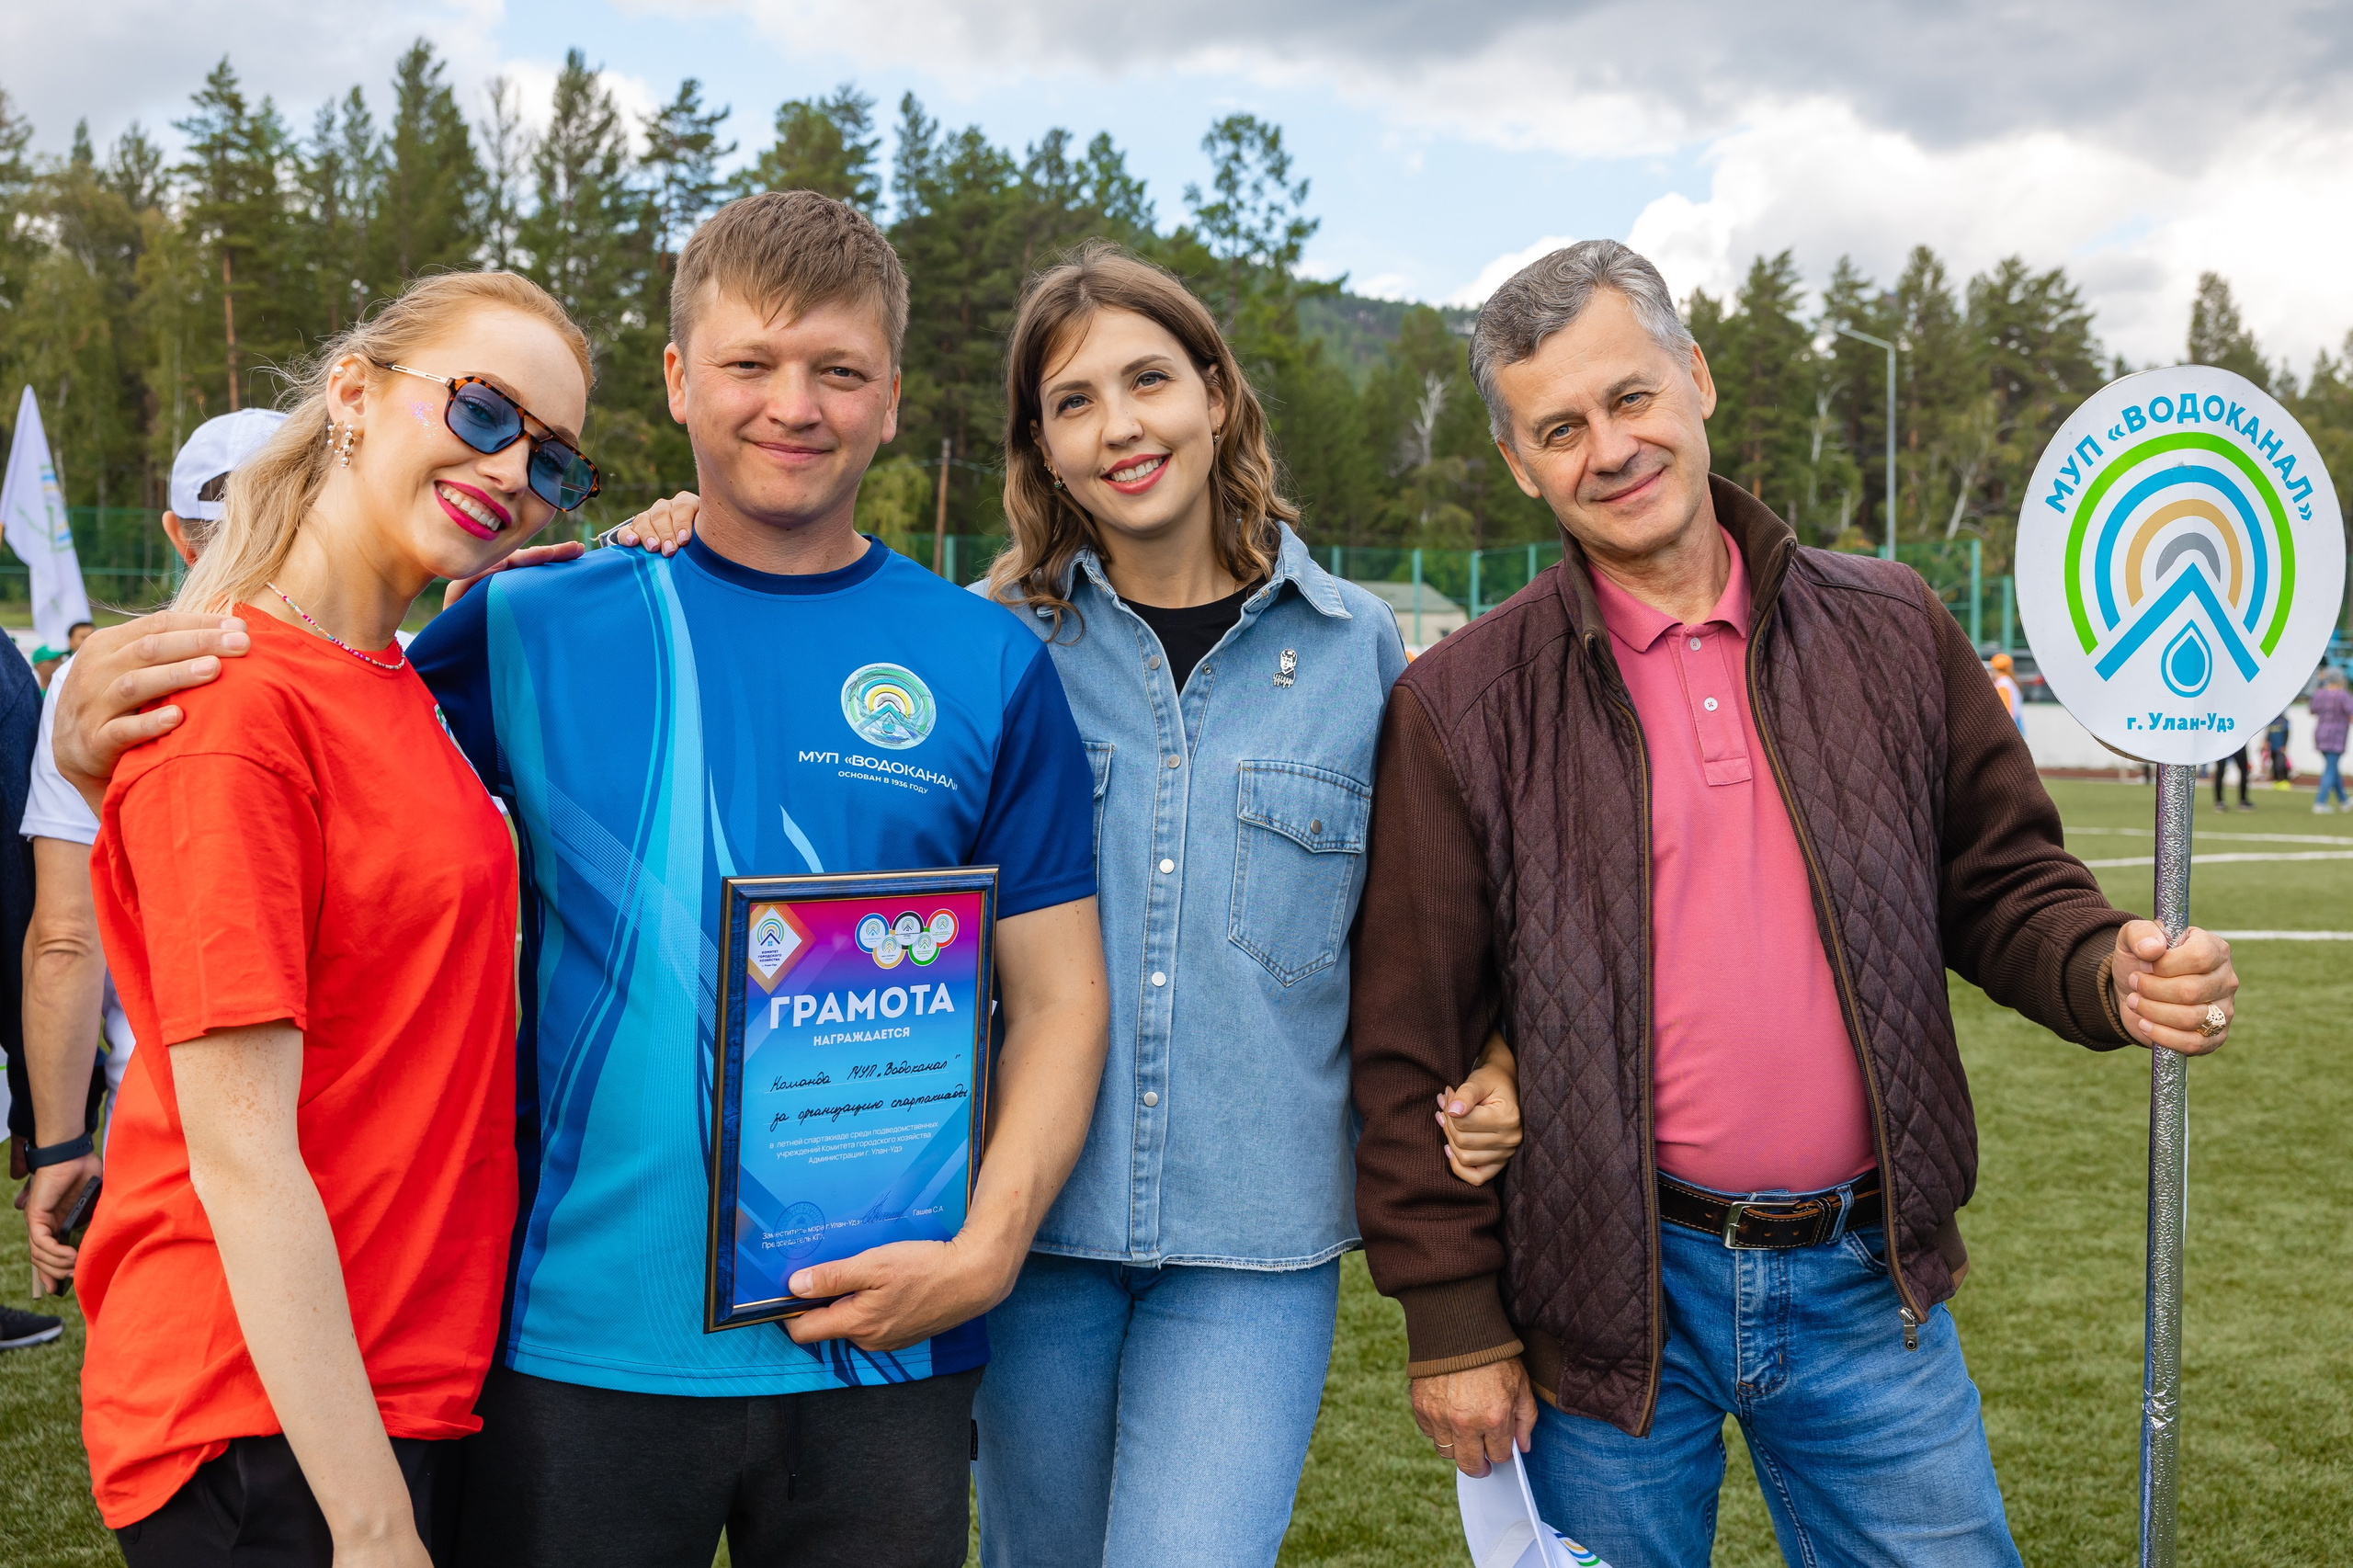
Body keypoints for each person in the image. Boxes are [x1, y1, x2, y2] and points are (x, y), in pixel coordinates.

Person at [57, 189, 1112, 1568]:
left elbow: (1060, 998)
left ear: (895, 396)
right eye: (749, 363)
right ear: (678, 379)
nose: (792, 406)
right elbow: (295, 728)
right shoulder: (528, 619)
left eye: (840, 370)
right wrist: (91, 722)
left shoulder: (985, 659)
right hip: (571, 1345)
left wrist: (987, 1249)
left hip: (885, 1342)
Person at [619, 242, 1529, 1566]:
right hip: (1027, 1234)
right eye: (1073, 402)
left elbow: (1428, 927)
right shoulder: (980, 643)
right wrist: (676, 524)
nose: (1120, 428)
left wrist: (1497, 1052)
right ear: (1040, 447)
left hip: (1253, 1244)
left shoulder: (1358, 649)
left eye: (1148, 380)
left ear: (1215, 393)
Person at [1347, 240, 2242, 1568]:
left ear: (1697, 378)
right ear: (1519, 463)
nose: (1610, 449)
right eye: (1561, 428)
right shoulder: (1463, 702)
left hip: (1865, 1283)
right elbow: (1410, 1037)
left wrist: (2107, 965)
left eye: (1631, 396)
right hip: (1599, 1299)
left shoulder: (1893, 625)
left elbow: (2000, 879)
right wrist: (1453, 1322)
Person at [68, 269, 594, 1564]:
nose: (512, 470)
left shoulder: (389, 678)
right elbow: (241, 1154)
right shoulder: (233, 707)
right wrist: (370, 1523)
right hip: (264, 1418)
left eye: (553, 460)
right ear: (352, 393)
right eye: (483, 411)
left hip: (393, 1372)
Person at [18, 409, 286, 1303]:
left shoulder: (102, 680)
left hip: (169, 1112)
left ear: (176, 534)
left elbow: (67, 940)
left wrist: (60, 1143)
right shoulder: (409, 663)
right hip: (381, 1119)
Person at [2313, 666, 2350, 812]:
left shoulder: (2319, 694)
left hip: (2320, 734)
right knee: (2330, 769)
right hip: (2337, 736)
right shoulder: (2343, 695)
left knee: (2332, 768)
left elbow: (2312, 710)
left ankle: (2344, 800)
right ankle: (2320, 802)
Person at [1987, 651, 2023, 733]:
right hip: (2015, 725)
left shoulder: (2003, 684)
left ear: (1995, 669)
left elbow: (2006, 711)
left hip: (2008, 728)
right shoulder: (2010, 681)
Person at [2212, 743, 2252, 812]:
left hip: (2225, 745)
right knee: (2221, 772)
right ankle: (2242, 801)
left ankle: (2219, 801)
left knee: (2220, 772)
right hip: (2235, 744)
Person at [2265, 710, 2293, 788]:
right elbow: (2268, 733)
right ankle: (2276, 781)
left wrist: (2284, 745)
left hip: (2280, 747)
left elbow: (2286, 733)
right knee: (2274, 764)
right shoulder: (2271, 721)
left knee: (2280, 764)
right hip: (2272, 746)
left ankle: (2285, 780)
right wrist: (2266, 742)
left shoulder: (2283, 721)